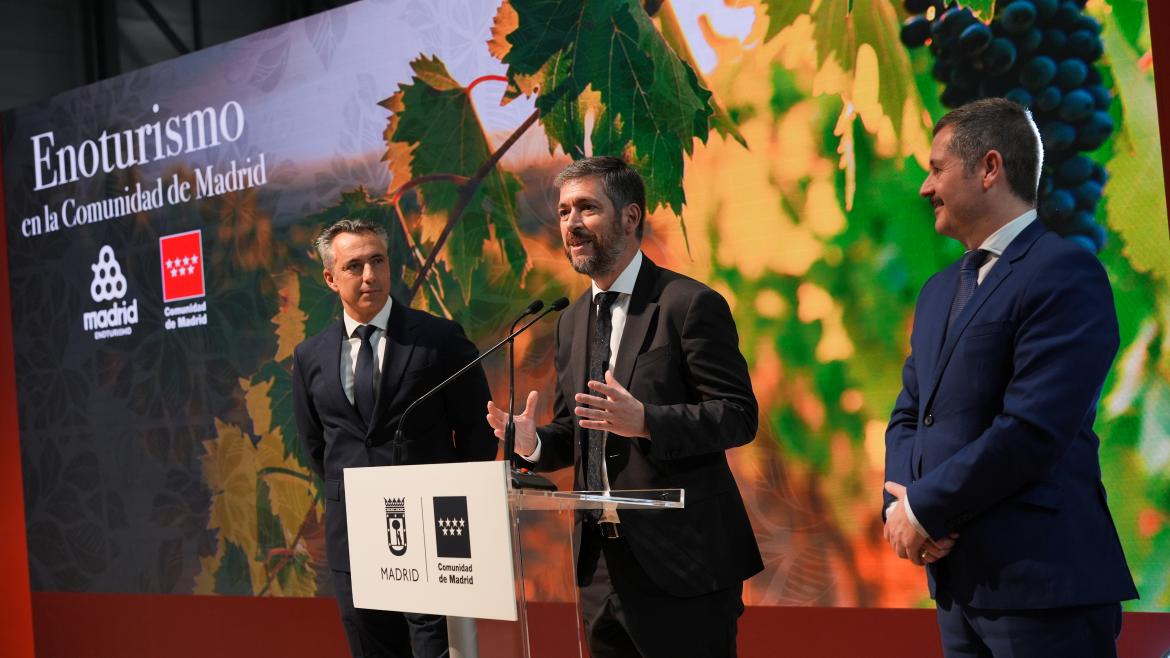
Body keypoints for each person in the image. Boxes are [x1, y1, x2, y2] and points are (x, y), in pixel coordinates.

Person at [882, 98, 1137, 657]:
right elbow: (908, 414)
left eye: (936, 168)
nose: (926, 188)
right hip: (958, 588)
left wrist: (927, 508)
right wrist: (902, 506)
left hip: (1043, 587)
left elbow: (1031, 429)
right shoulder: (937, 291)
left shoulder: (1066, 273)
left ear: (989, 168)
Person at [487, 156, 763, 657]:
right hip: (599, 564)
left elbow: (738, 415)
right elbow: (579, 429)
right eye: (565, 210)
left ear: (630, 216)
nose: (571, 222)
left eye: (587, 208)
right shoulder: (571, 321)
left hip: (683, 562)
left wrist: (648, 422)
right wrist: (532, 444)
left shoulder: (687, 304)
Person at [292, 218, 496, 658]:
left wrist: (455, 504)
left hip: (431, 538)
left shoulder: (438, 338)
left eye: (377, 261)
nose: (369, 275)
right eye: (354, 266)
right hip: (353, 537)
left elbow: (478, 431)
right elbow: (318, 445)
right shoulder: (310, 356)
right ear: (330, 278)